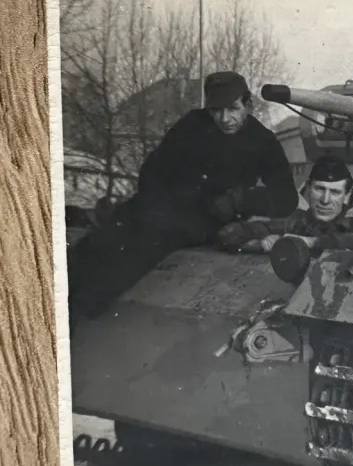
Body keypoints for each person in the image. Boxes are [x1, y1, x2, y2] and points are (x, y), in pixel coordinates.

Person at [67, 71, 299, 321]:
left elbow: (287, 198)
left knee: (135, 254)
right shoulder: (193, 124)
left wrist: (241, 200)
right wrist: (158, 198)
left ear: (248, 105)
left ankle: (77, 312)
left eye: (233, 109)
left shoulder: (262, 141)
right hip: (160, 205)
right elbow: (152, 169)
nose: (225, 118)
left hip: (205, 221)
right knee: (105, 237)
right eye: (216, 110)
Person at [217, 155, 353, 253]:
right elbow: (228, 233)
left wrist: (313, 243)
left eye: (335, 192)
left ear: (347, 195)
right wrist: (262, 240)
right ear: (309, 188)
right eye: (319, 189)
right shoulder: (299, 221)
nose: (325, 200)